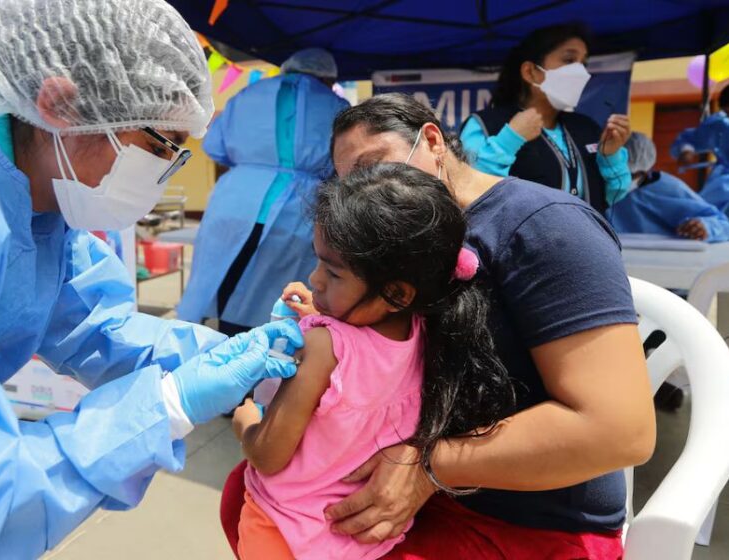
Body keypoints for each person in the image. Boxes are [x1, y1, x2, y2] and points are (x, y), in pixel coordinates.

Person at [0, 1, 304, 558]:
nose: (162, 172)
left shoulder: (41, 177)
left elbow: (93, 324)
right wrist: (167, 405)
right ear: (59, 104)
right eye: (157, 148)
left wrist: (229, 355)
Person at [221, 93, 655, 559]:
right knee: (248, 499)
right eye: (350, 183)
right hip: (437, 489)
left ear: (431, 141)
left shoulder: (547, 229)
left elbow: (619, 429)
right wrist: (329, 318)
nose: (367, 194)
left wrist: (428, 465)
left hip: (529, 519)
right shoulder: (399, 238)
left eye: (374, 167)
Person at [231, 164, 514, 560]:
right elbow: (371, 345)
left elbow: (269, 455)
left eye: (332, 271)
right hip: (364, 542)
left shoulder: (322, 348)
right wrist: (326, 309)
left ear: (396, 293)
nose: (315, 279)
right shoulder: (426, 331)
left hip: (283, 532)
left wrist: (246, 423)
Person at [178, 47, 349, 336]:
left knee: (221, 278)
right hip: (299, 208)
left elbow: (214, 146)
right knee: (276, 295)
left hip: (236, 199)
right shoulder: (337, 107)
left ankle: (213, 346)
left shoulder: (247, 95)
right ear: (328, 78)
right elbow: (346, 162)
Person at [459, 23, 632, 214]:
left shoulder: (586, 128)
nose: (581, 72)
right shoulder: (485, 125)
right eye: (569, 60)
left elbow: (614, 194)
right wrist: (509, 140)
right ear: (530, 72)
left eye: (583, 63)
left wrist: (610, 156)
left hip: (586, 242)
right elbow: (468, 191)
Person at [608, 132, 729, 242]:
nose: (607, 178)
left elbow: (722, 224)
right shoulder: (594, 186)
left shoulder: (662, 189)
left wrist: (704, 227)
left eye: (616, 174)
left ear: (641, 174)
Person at [671, 85, 729, 214]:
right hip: (723, 188)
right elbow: (691, 138)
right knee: (710, 218)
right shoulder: (720, 124)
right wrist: (687, 150)